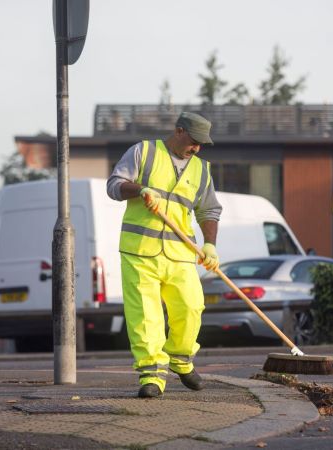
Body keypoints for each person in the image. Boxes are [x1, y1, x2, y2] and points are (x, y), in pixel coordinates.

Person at [106, 112, 223, 398]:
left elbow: (209, 210)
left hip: (181, 253)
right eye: (194, 142)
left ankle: (181, 360)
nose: (197, 149)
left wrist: (210, 245)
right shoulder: (143, 152)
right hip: (139, 251)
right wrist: (140, 189)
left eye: (201, 145)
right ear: (179, 131)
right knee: (145, 316)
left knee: (191, 307)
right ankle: (152, 375)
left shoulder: (201, 170)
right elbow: (114, 186)